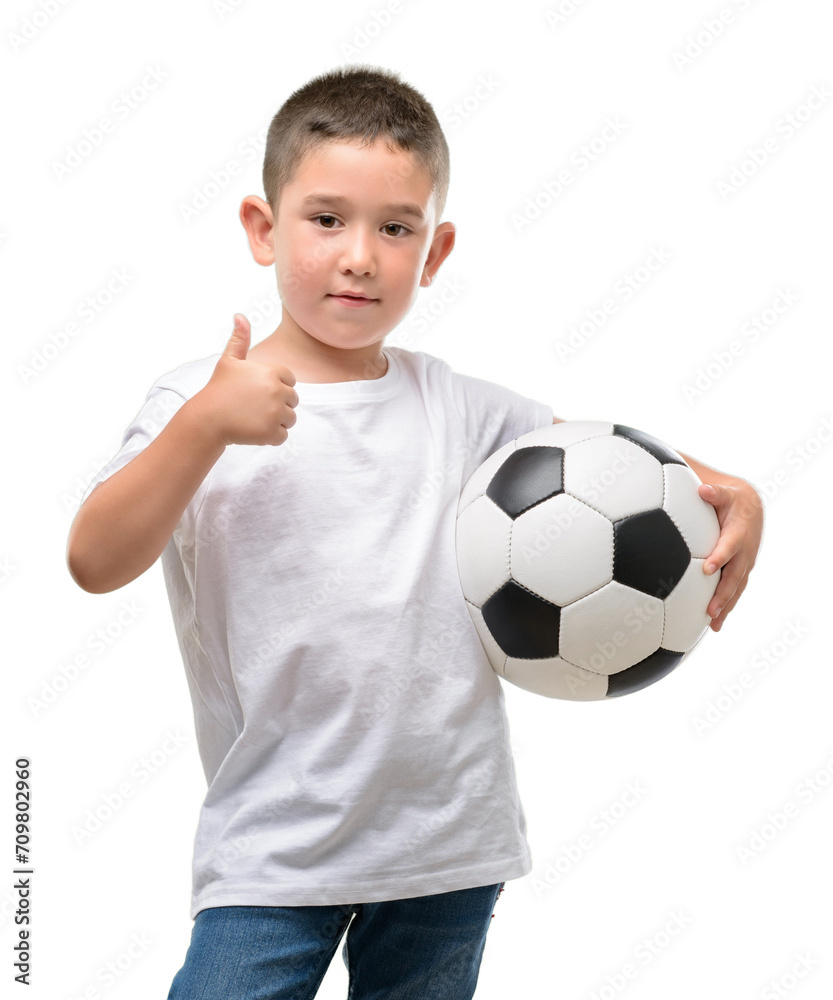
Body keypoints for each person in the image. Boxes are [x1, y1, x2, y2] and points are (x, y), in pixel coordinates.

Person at [65, 64, 764, 999]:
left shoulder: (460, 409)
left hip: (447, 843)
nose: (360, 255)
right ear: (262, 229)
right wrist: (202, 427)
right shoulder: (201, 401)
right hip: (277, 849)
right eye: (326, 220)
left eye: (394, 229)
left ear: (432, 253)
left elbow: (616, 473)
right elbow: (93, 560)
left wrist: (735, 491)